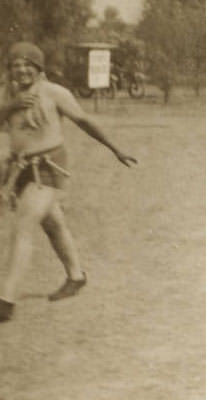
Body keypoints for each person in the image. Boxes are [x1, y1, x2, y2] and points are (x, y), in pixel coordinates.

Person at [0, 42, 136, 322]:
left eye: (28, 65)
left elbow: (84, 121)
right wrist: (10, 106)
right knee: (52, 223)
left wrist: (115, 149)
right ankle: (76, 276)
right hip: (20, 168)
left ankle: (6, 299)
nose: (22, 70)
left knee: (24, 224)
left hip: (48, 166)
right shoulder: (7, 95)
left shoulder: (54, 93)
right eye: (16, 65)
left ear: (39, 68)